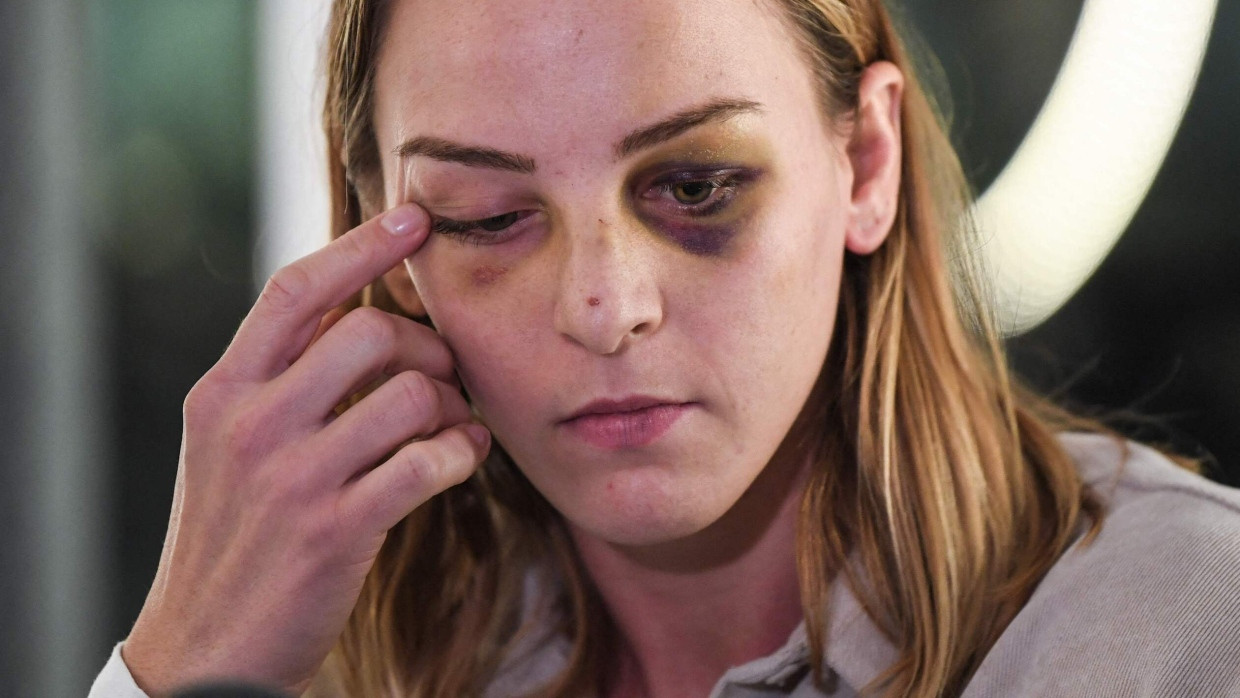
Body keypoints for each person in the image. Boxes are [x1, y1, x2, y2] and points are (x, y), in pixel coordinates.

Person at [89, 0, 1240, 696]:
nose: (603, 305)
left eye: (696, 186)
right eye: (488, 216)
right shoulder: (338, 652)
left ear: (868, 162)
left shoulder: (1181, 631)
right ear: (385, 242)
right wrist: (181, 665)